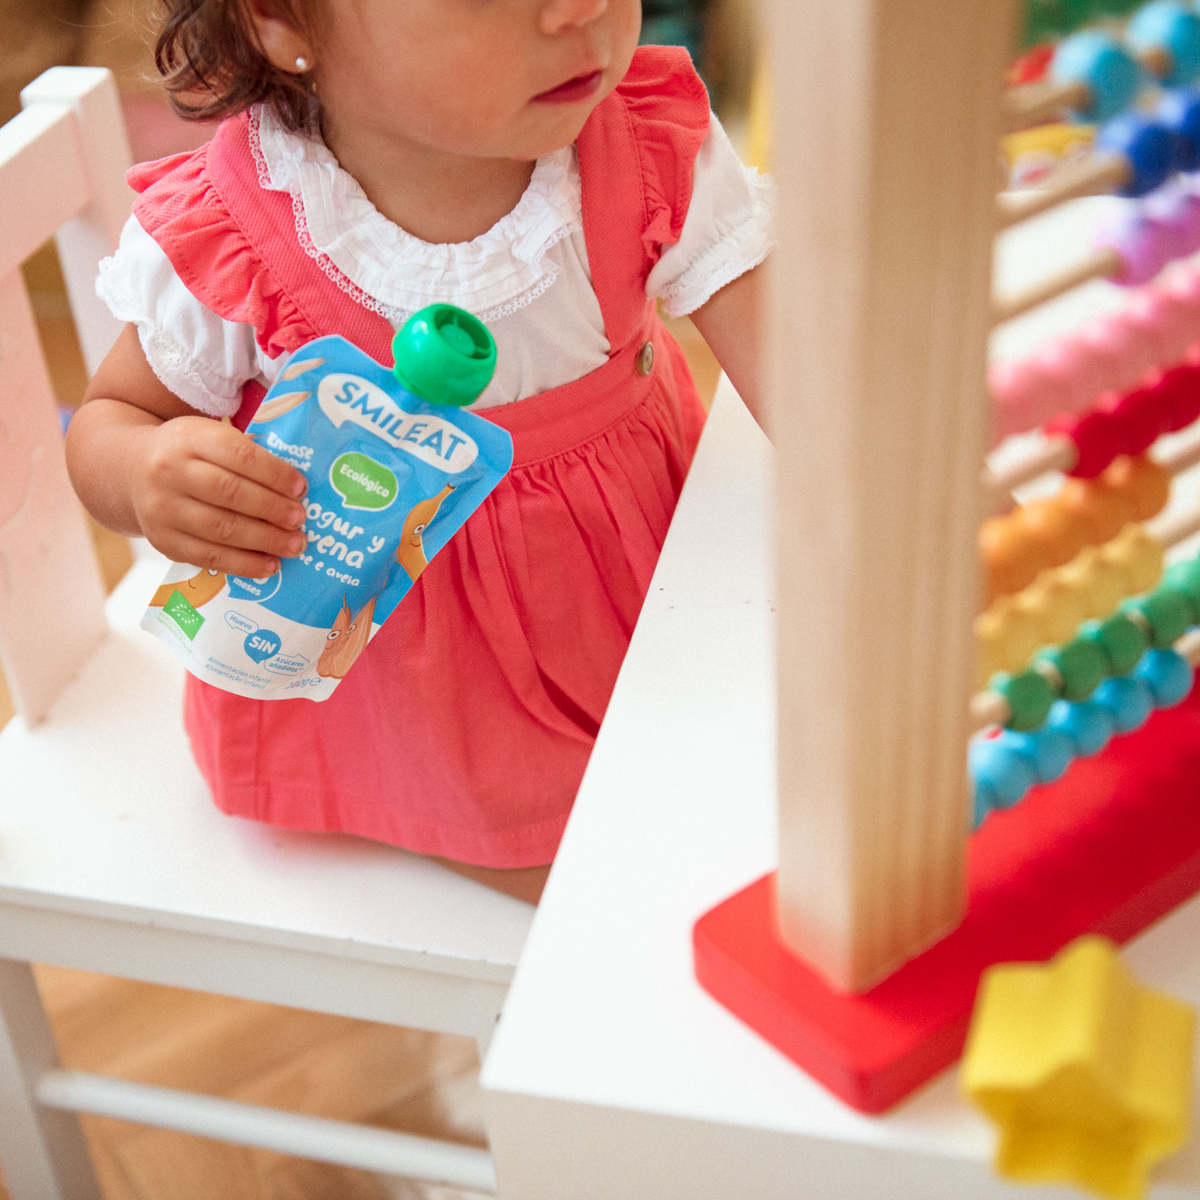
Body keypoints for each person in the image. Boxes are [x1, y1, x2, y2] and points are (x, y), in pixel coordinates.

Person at [65, 0, 771, 904]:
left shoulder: (642, 135)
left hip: (656, 578)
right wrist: (149, 475)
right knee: (627, 897)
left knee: (766, 782)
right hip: (423, 694)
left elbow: (805, 381)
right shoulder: (236, 228)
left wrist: (925, 495)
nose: (584, 9)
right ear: (280, 21)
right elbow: (112, 421)